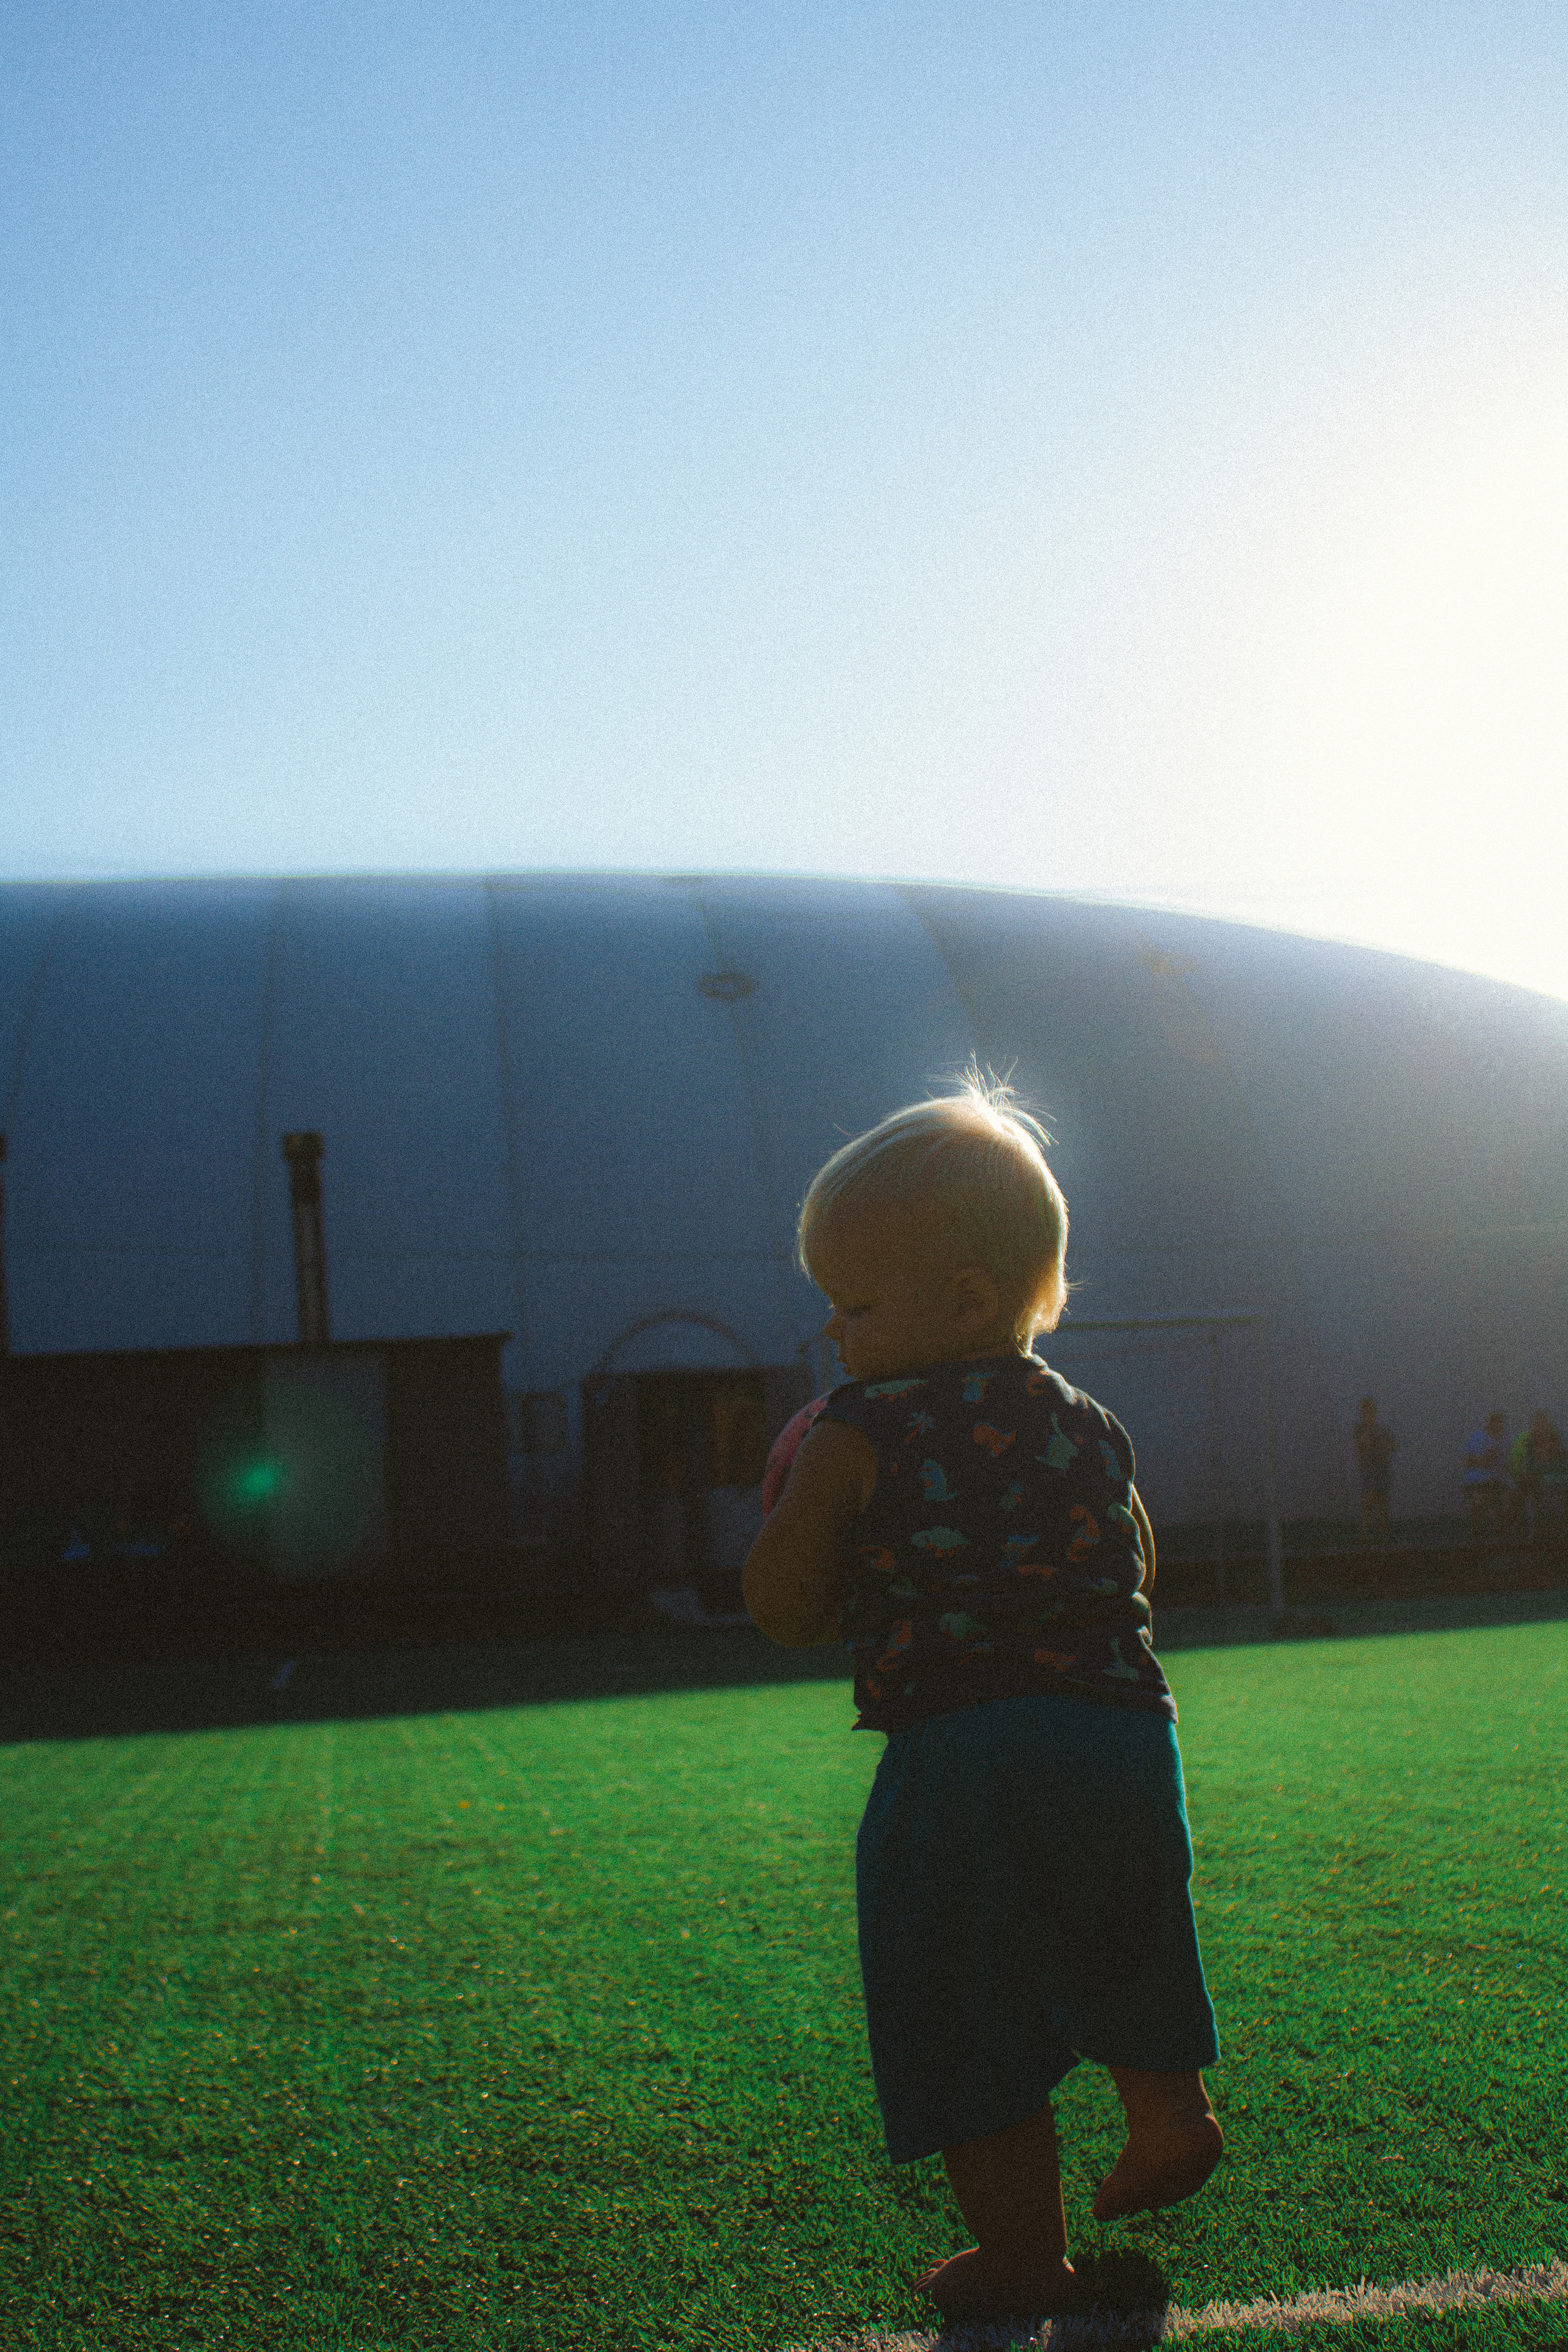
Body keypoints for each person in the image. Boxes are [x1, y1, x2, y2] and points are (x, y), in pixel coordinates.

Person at [744, 1077, 1221, 2324]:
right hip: (1123, 1728)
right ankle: (1167, 2114)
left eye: (850, 1305)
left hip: (961, 1743)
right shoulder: (1089, 1423)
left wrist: (794, 1515)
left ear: (958, 1299)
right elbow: (1137, 1565)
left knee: (955, 1992)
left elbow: (787, 1605)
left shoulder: (856, 1428)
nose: (833, 1335)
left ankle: (1021, 2254)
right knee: (1125, 1928)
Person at [1510, 1409, 1568, 1541]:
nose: (1539, 1427)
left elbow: (1563, 1464)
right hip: (1537, 1482)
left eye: (1542, 1423)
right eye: (1536, 1424)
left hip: (1559, 1482)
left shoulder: (1556, 1439)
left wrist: (1547, 1459)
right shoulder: (1529, 1443)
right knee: (1528, 1495)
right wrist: (1542, 1463)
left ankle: (1560, 1533)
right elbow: (1528, 1467)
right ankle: (1534, 1533)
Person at [1352, 1398, 1396, 1539]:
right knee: (1368, 1499)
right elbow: (1360, 1445)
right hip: (1368, 1469)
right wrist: (1368, 1431)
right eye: (1366, 1410)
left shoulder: (1382, 1429)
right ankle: (1365, 1531)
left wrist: (1385, 1446)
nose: (1369, 1412)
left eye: (1371, 1409)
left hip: (1382, 1467)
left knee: (1382, 1499)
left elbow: (1393, 1445)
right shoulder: (1359, 1429)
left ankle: (1382, 1531)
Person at [1463, 1412, 1510, 1541]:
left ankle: (1490, 1533)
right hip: (1480, 1480)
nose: (1500, 1426)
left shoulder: (1501, 1440)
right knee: (1483, 1497)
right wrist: (1485, 1461)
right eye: (1497, 1423)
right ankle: (1484, 1534)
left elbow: (1504, 1464)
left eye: (1501, 1423)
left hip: (1486, 1480)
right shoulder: (1481, 1438)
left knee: (1492, 1498)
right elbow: (1470, 1462)